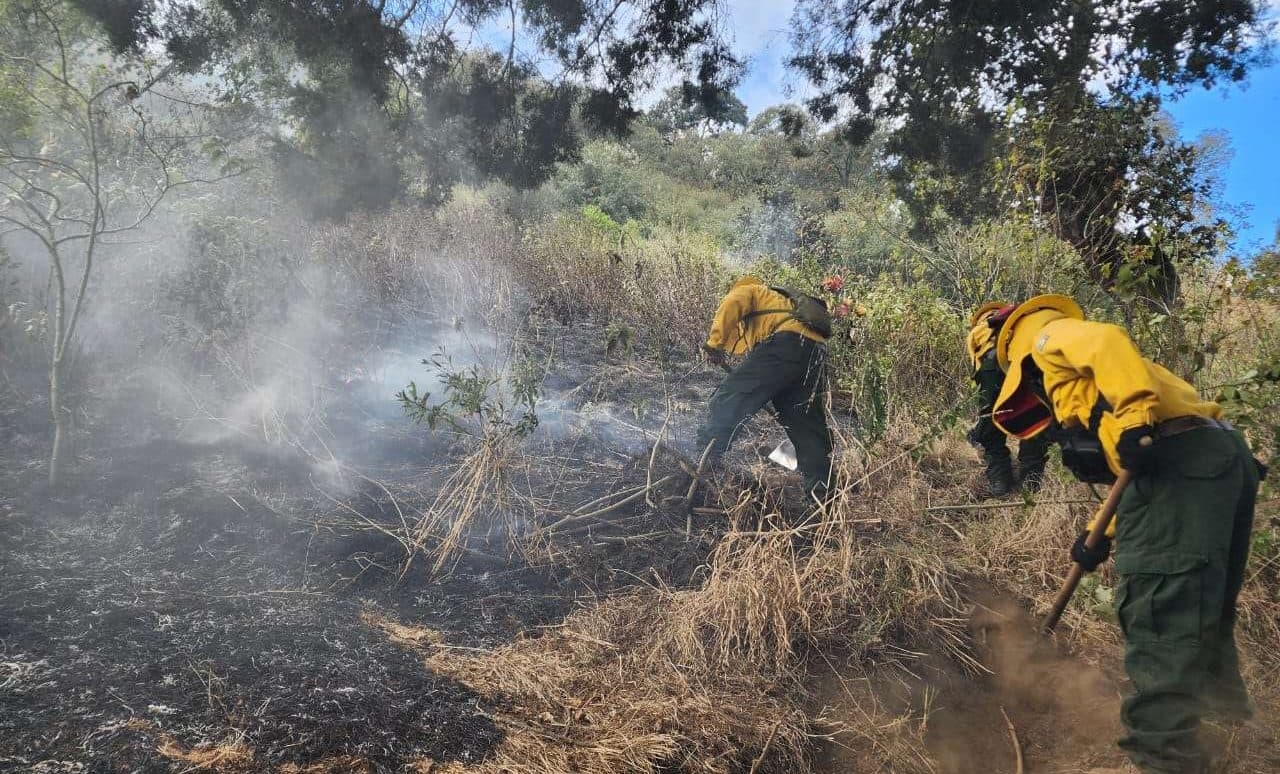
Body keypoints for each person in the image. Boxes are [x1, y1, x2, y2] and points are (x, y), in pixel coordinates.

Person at [991, 294, 1262, 774]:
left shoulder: (1046, 339)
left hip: (1181, 461)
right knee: (1202, 599)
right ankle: (1226, 726)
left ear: (1007, 348)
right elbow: (1131, 467)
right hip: (1216, 456)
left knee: (1159, 604)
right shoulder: (1090, 377)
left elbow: (1109, 341)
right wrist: (1098, 535)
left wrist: (1135, 419)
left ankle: (1164, 758)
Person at [697, 276, 833, 501]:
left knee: (730, 398)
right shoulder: (783, 304)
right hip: (815, 353)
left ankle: (704, 463)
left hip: (785, 344)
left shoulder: (749, 289)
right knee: (806, 427)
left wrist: (714, 344)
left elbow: (733, 302)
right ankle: (821, 500)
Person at [966, 301, 1050, 496]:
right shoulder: (1022, 325)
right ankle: (1030, 483)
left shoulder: (978, 332)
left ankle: (1001, 482)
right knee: (1035, 418)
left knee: (990, 425)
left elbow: (976, 368)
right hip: (1030, 364)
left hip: (992, 367)